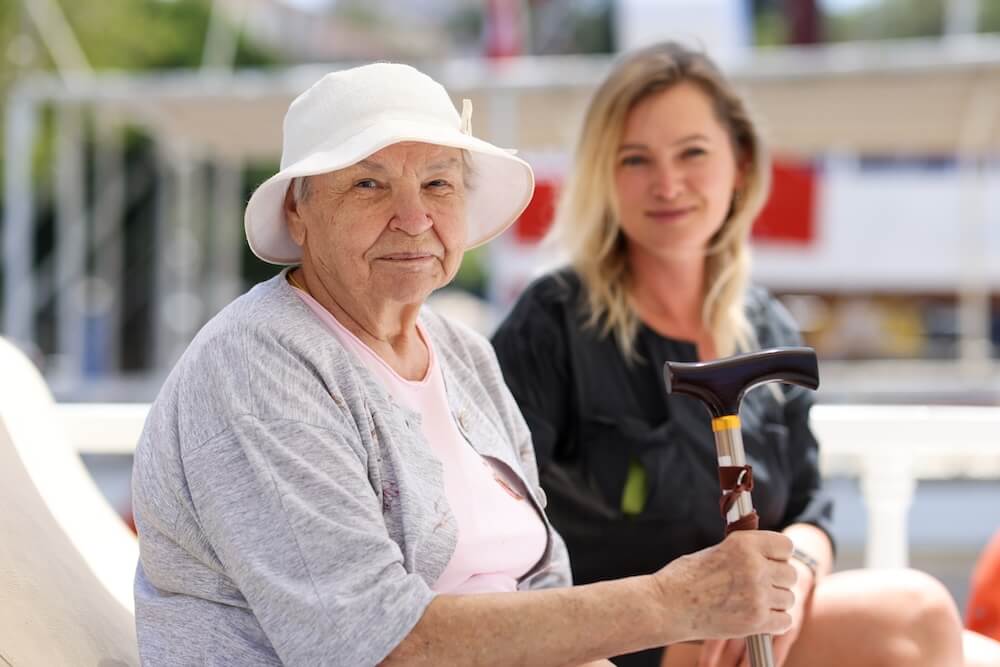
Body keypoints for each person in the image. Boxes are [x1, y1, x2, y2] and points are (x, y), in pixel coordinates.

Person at [131, 62, 801, 666]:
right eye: (368, 184)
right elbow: (371, 643)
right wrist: (670, 602)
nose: (414, 216)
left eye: (438, 183)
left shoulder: (464, 354)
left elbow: (546, 585)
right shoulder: (258, 364)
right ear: (298, 212)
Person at [492, 42, 1000, 667]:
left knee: (918, 615)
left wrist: (802, 572)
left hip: (755, 638)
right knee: (909, 614)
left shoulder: (768, 324)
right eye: (635, 159)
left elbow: (812, 504)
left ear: (740, 164)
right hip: (616, 648)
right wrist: (668, 632)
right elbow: (500, 530)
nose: (668, 183)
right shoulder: (550, 324)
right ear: (603, 175)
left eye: (693, 153)